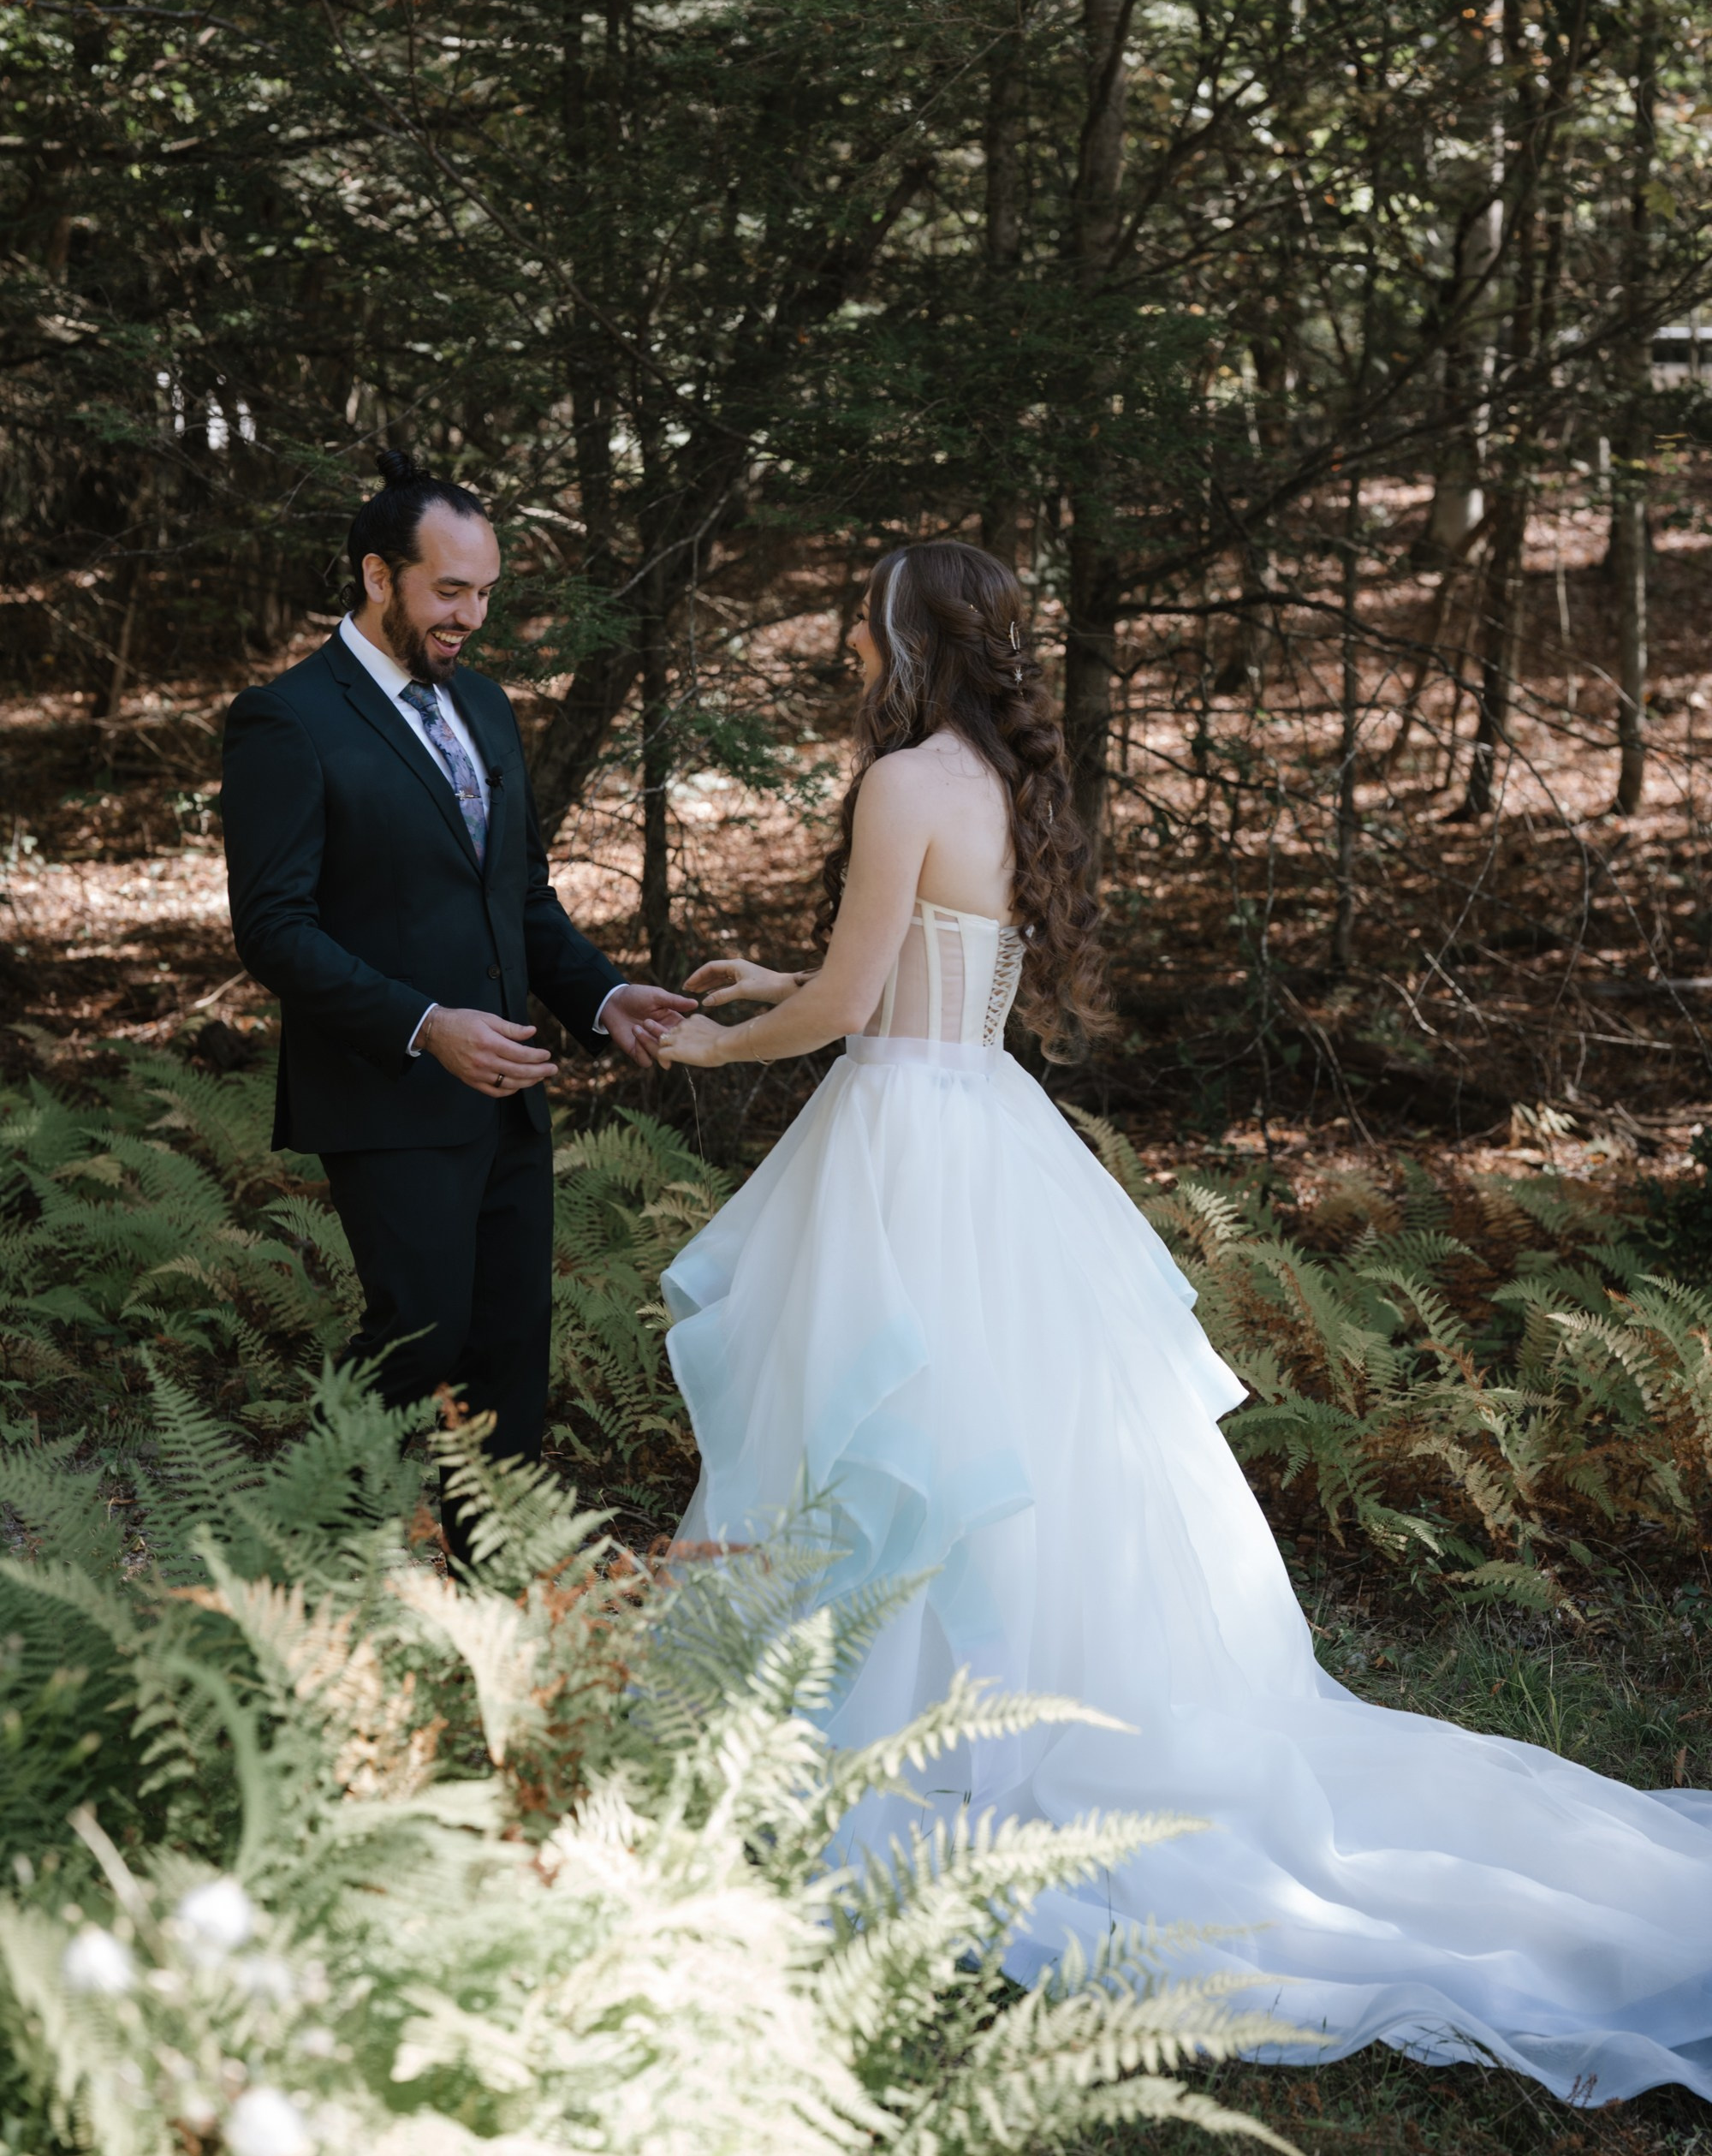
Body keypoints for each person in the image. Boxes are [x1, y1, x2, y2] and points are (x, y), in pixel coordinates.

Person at [655, 536, 1712, 2106]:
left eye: (862, 638)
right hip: (984, 1131)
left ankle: (910, 1748)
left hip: (906, 1144)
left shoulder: (897, 786)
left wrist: (709, 1044)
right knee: (992, 1449)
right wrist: (771, 980)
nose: (853, 663)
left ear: (907, 644)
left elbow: (847, 1007)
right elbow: (896, 978)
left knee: (893, 1438)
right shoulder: (1009, 784)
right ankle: (985, 1709)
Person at [221, 450, 693, 1549]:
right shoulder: (285, 720)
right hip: (384, 1095)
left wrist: (604, 994)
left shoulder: (482, 703)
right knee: (416, 1347)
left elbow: (516, 897)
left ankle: (498, 1621)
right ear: (377, 575)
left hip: (509, 1094)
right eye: (450, 591)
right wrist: (426, 1028)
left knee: (507, 1361)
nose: (472, 617)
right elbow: (274, 930)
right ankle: (305, 1581)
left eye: (485, 593)